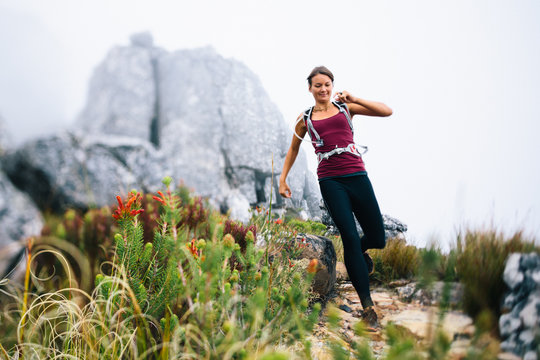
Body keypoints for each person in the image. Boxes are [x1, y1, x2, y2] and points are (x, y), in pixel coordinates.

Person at [278, 66, 392, 328]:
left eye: (327, 84)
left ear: (332, 85)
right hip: (330, 180)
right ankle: (368, 307)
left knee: (377, 237)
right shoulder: (304, 118)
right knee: (350, 238)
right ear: (310, 89)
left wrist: (355, 99)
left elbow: (387, 111)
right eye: (318, 85)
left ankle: (360, 253)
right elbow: (293, 150)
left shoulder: (345, 108)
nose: (323, 89)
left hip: (357, 177)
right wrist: (283, 179)